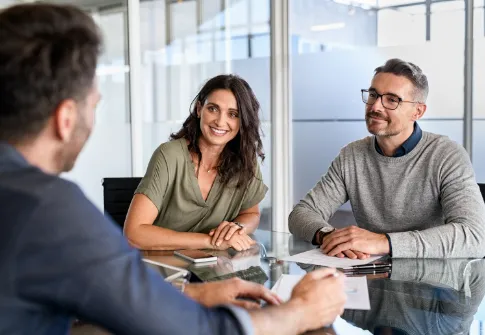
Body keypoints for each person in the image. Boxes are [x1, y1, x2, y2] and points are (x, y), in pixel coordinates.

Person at [0, 3, 347, 335]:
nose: (222, 121)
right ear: (65, 119)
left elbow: (101, 294)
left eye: (234, 114)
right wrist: (300, 310)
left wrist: (193, 293)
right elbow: (203, 330)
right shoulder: (50, 211)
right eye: (95, 104)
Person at [289, 58, 485, 259]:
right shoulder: (351, 156)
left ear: (417, 111)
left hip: (435, 282)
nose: (375, 107)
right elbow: (301, 213)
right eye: (373, 95)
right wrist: (328, 236)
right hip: (371, 278)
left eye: (392, 100)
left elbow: (474, 236)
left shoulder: (446, 155)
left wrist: (383, 242)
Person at [124, 74, 267, 251]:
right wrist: (210, 242)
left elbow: (251, 213)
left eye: (233, 114)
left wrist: (237, 228)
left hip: (213, 269)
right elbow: (134, 233)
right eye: (213, 109)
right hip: (161, 268)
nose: (220, 121)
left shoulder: (246, 160)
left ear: (242, 120)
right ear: (199, 109)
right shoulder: (169, 155)